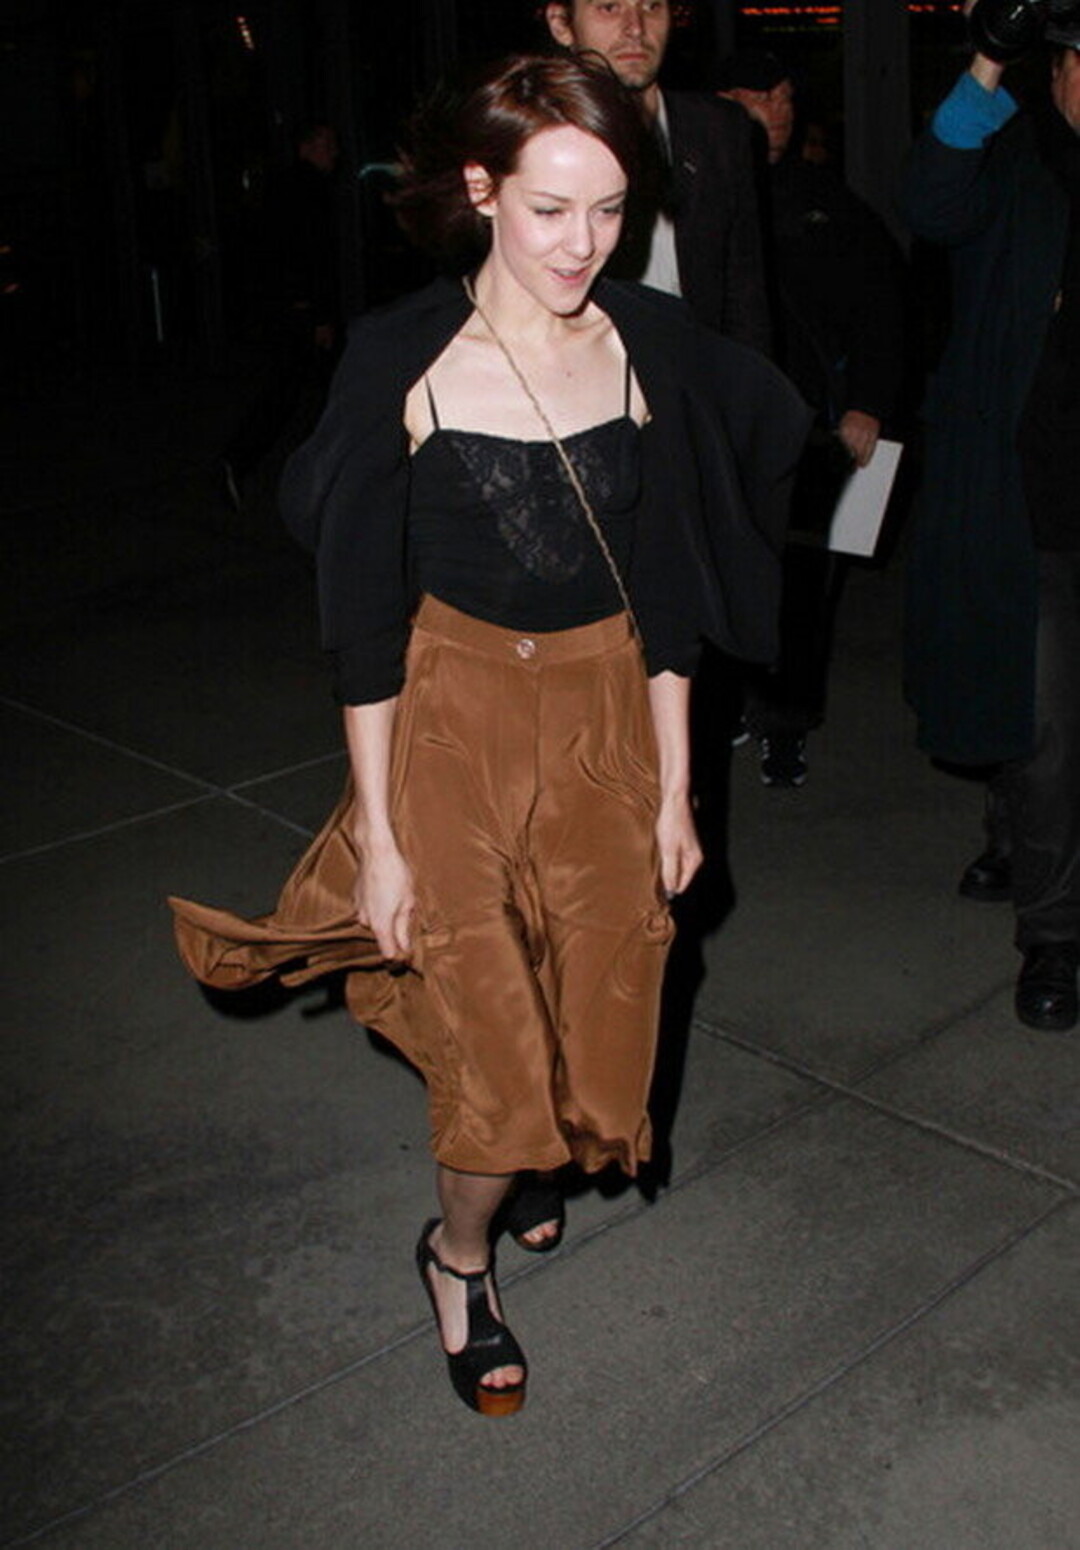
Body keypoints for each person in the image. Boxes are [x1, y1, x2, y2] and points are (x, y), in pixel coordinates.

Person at [170, 54, 808, 1415]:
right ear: (481, 189)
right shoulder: (404, 360)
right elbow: (360, 627)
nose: (583, 245)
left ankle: (520, 1172)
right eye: (549, 209)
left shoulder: (645, 346)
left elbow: (670, 591)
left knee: (605, 1011)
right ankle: (458, 1255)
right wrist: (381, 835)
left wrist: (675, 787)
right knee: (502, 1066)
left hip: (603, 714)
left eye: (610, 210)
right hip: (449, 716)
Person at [901, 0, 1080, 1030]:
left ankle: (1017, 835)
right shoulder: (1011, 155)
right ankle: (1054, 935)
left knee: (1045, 713)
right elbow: (930, 198)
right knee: (1046, 720)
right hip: (1027, 492)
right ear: (1057, 71)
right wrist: (987, 58)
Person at [718, 48, 907, 785]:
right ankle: (726, 705)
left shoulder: (826, 203)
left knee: (799, 584)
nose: (778, 111)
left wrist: (869, 404)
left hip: (804, 429)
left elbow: (882, 307)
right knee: (716, 579)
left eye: (786, 97)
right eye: (761, 96)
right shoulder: (690, 195)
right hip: (713, 428)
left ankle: (785, 721)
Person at [543, 0, 771, 352]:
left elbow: (746, 293)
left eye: (651, 7)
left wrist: (749, 382)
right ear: (561, 24)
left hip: (699, 370)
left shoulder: (718, 129)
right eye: (609, 8)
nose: (635, 28)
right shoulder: (538, 143)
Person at [222, 121, 341, 511]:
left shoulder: (285, 188)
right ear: (306, 147)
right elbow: (308, 253)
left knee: (295, 391)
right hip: (301, 311)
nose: (334, 152)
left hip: (289, 307)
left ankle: (250, 461)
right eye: (326, 143)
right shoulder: (306, 190)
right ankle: (245, 459)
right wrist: (316, 312)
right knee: (294, 392)